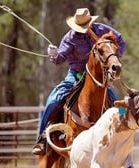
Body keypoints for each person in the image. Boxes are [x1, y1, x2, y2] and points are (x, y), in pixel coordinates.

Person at [32, 8, 127, 155]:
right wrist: (54, 55)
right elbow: (60, 59)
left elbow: (120, 41)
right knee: (53, 100)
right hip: (76, 75)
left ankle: (123, 134)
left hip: (98, 78)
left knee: (116, 105)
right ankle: (43, 138)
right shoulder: (70, 38)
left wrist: (112, 59)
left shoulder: (102, 30)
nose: (84, 30)